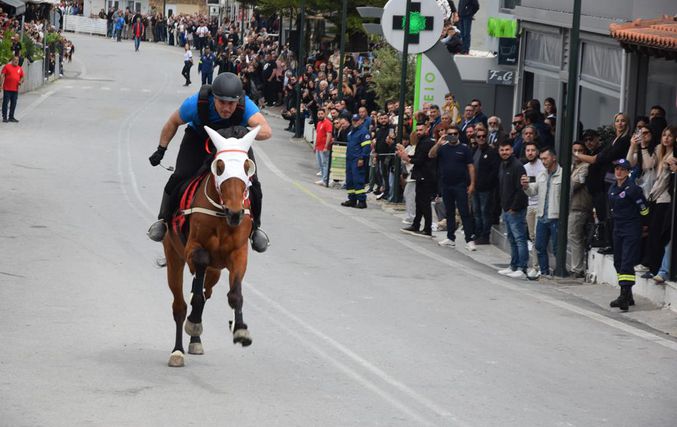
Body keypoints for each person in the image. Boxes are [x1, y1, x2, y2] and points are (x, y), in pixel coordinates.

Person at [146, 72, 273, 252]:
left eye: (231, 103)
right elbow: (173, 122)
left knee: (253, 183)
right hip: (199, 139)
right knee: (180, 176)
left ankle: (255, 229)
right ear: (214, 98)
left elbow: (266, 131)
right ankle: (164, 221)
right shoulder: (196, 103)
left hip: (233, 144)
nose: (226, 108)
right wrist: (161, 149)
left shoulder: (246, 106)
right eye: (222, 102)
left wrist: (243, 132)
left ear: (238, 100)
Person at [607, 159, 649, 311]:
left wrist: (644, 224)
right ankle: (628, 295)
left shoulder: (633, 189)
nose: (618, 172)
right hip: (618, 228)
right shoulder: (612, 187)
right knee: (618, 261)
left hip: (631, 228)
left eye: (622, 169)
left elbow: (644, 209)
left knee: (626, 261)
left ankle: (624, 296)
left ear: (627, 172)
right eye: (617, 169)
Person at [429, 125, 476, 250]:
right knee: (449, 212)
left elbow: (471, 167)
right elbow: (431, 155)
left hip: (461, 185)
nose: (453, 136)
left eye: (455, 133)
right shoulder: (443, 148)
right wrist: (438, 143)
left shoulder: (464, 149)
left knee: (464, 212)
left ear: (458, 135)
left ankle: (469, 240)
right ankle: (450, 238)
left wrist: (472, 184)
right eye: (450, 134)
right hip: (446, 185)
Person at [522, 147, 562, 278]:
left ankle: (559, 271)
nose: (543, 161)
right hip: (542, 216)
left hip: (556, 216)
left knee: (557, 248)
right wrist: (526, 186)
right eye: (542, 159)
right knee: (539, 246)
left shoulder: (562, 174)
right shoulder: (541, 174)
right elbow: (533, 191)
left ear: (553, 158)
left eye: (545, 158)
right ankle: (544, 272)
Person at [497, 140, 529, 279]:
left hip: (515, 210)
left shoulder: (517, 166)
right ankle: (513, 265)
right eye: (502, 150)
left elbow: (521, 190)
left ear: (512, 150)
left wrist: (514, 208)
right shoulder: (502, 165)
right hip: (506, 208)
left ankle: (522, 268)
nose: (504, 152)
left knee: (520, 239)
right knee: (512, 239)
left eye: (507, 149)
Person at [399, 123, 437, 237]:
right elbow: (417, 157)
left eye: (421, 130)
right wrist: (406, 156)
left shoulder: (427, 142)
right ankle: (416, 224)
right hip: (420, 175)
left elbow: (420, 160)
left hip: (426, 176)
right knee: (419, 202)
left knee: (424, 203)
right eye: (417, 130)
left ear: (427, 130)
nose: (419, 132)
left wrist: (407, 158)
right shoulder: (421, 141)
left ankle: (427, 228)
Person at [472, 125, 500, 244]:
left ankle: (485, 236)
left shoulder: (492, 152)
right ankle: (477, 233)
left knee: (485, 212)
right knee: (476, 212)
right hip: (475, 187)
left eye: (484, 136)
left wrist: (488, 183)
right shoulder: (474, 150)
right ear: (476, 138)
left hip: (486, 189)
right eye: (479, 136)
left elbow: (495, 171)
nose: (481, 138)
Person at [568, 141, 593, 278]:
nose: (577, 153)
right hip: (571, 206)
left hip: (580, 206)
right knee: (573, 236)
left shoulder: (585, 167)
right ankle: (575, 267)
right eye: (574, 150)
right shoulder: (572, 166)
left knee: (575, 236)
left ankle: (577, 269)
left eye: (580, 150)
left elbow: (575, 184)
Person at [341, 114, 371, 209]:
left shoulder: (364, 132)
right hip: (350, 159)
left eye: (357, 120)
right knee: (350, 180)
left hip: (357, 159)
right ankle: (352, 199)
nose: (355, 122)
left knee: (358, 180)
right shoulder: (352, 131)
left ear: (361, 121)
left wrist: (362, 158)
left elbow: (366, 147)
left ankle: (362, 201)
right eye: (353, 120)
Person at [1, 55, 24, 123]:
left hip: (15, 89)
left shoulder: (19, 68)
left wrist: (20, 81)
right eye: (15, 60)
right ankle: (4, 117)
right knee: (5, 103)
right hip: (7, 89)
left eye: (17, 60)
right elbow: (2, 75)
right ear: (12, 60)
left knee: (13, 103)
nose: (16, 61)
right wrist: (1, 85)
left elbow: (22, 77)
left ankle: (11, 117)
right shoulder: (7, 66)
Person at [314, 108, 333, 185]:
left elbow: (329, 135)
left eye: (322, 114)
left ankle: (325, 179)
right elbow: (318, 135)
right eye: (319, 114)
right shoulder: (319, 123)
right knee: (320, 164)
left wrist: (326, 146)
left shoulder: (328, 123)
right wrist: (315, 146)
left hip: (324, 147)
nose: (320, 115)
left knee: (325, 163)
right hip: (318, 147)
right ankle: (323, 178)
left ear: (325, 114)